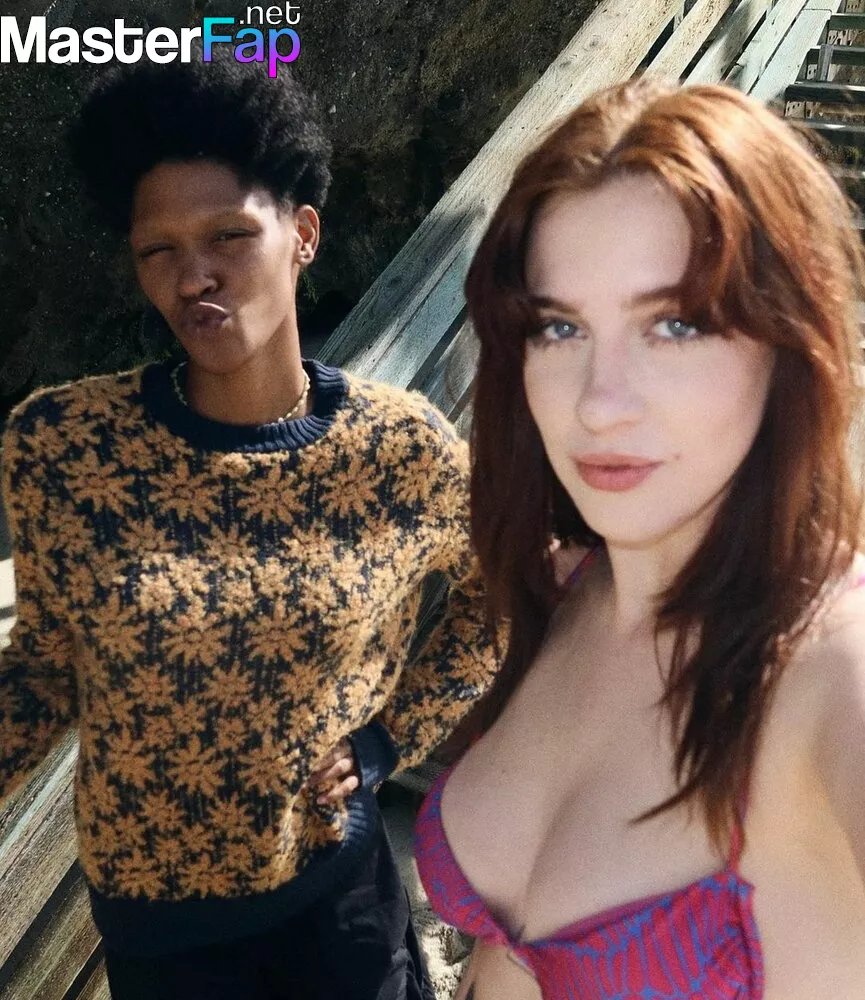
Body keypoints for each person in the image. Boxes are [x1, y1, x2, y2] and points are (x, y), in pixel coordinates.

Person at [0, 54, 498, 1000]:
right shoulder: (63, 447)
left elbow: (498, 590)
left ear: (302, 234)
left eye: (228, 234)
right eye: (157, 251)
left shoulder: (400, 450)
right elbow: (45, 666)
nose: (194, 275)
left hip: (340, 899)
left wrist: (389, 741)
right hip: (162, 933)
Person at [414, 78, 865, 1000]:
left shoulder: (832, 670)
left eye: (674, 324)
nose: (599, 403)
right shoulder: (569, 588)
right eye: (558, 327)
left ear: (790, 339)